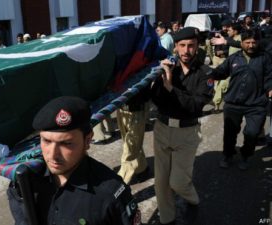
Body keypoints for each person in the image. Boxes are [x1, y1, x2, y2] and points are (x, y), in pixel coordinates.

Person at [7, 96, 141, 225]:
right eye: (46, 141)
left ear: (87, 140)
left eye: (66, 143)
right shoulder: (26, 180)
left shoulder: (110, 194)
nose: (53, 155)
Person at [150, 27, 213, 225]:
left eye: (191, 46)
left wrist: (171, 88)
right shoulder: (167, 69)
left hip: (187, 133)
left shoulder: (205, 73)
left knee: (177, 182)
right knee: (160, 183)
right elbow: (157, 101)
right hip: (162, 129)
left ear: (197, 47)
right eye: (182, 46)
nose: (186, 50)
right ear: (175, 47)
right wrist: (157, 80)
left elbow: (195, 106)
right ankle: (167, 219)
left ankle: (192, 200)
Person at [208, 29, 272, 170]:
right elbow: (220, 72)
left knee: (252, 133)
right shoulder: (234, 58)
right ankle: (228, 155)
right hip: (233, 103)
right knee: (230, 133)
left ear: (258, 43)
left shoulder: (265, 58)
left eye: (254, 42)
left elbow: (269, 79)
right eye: (247, 42)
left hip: (256, 105)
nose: (251, 45)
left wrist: (270, 89)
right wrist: (207, 73)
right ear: (241, 43)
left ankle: (246, 155)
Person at [116, 93, 150, 185]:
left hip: (135, 108)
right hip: (121, 107)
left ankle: (121, 183)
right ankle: (142, 169)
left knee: (130, 148)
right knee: (130, 143)